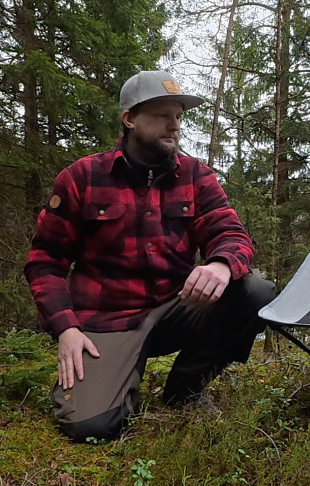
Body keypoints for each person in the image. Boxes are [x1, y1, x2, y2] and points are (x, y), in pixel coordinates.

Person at [24, 70, 275, 443]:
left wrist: (222, 263)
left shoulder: (195, 176)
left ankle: (185, 387)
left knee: (255, 291)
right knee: (91, 427)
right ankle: (118, 378)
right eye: (163, 115)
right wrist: (66, 329)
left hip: (177, 308)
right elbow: (44, 261)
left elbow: (230, 233)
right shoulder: (81, 178)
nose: (174, 125)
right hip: (107, 320)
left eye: (178, 116)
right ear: (130, 119)